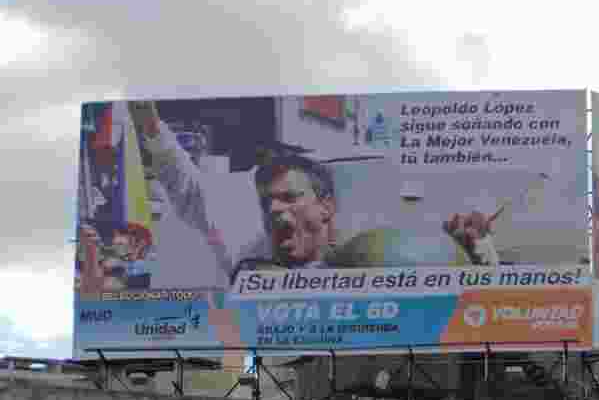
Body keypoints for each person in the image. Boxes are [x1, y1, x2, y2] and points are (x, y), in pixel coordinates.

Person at [121, 100, 497, 283]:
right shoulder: (248, 255)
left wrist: (475, 249)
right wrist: (143, 114)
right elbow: (182, 182)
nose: (275, 211)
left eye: (290, 197)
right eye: (268, 202)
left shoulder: (375, 253)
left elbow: (463, 295)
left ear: (326, 206)